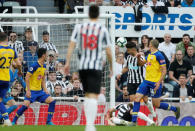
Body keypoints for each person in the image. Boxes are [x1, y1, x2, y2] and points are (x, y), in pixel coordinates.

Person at [64, 5, 113, 131]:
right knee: (93, 95)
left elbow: (71, 45)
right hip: (96, 66)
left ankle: (89, 125)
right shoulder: (102, 29)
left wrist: (67, 62)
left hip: (83, 66)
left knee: (87, 95)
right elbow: (108, 50)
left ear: (88, 14)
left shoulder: (79, 27)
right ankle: (90, 125)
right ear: (98, 14)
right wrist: (111, 66)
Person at [130, 39, 180, 126]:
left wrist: (159, 82)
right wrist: (138, 57)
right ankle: (134, 122)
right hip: (146, 81)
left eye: (149, 44)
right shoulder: (149, 55)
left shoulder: (159, 55)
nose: (148, 45)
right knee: (137, 98)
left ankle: (175, 109)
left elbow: (164, 70)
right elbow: (141, 64)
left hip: (155, 83)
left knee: (156, 104)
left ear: (151, 45)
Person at [12, 48, 56, 125]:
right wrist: (28, 91)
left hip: (40, 92)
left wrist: (45, 89)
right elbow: (27, 77)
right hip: (31, 91)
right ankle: (14, 120)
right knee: (25, 106)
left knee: (52, 102)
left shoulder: (44, 66)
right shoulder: (34, 65)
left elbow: (42, 79)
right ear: (43, 55)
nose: (47, 56)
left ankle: (48, 121)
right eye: (46, 54)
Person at [0, 32, 22, 126]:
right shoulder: (12, 50)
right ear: (7, 39)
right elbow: (19, 64)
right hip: (6, 80)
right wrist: (20, 71)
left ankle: (6, 119)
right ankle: (6, 120)